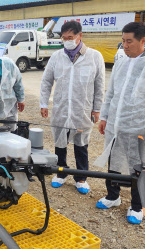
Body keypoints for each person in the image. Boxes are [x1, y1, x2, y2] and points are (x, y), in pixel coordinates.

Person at [94, 22, 145, 224]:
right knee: (114, 160)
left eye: (129, 41)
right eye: (123, 41)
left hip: (138, 125)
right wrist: (105, 117)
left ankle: (136, 206)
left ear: (144, 40)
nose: (125, 45)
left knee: (138, 166)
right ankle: (113, 196)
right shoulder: (121, 62)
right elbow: (111, 93)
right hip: (116, 124)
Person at [40, 21, 105, 194]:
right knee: (60, 142)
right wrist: (43, 103)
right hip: (61, 109)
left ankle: (81, 177)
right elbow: (46, 81)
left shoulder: (95, 57)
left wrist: (97, 109)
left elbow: (99, 86)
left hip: (82, 109)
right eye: (64, 37)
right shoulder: (56, 57)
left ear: (80, 35)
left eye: (71, 37)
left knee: (81, 144)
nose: (67, 41)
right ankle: (61, 172)